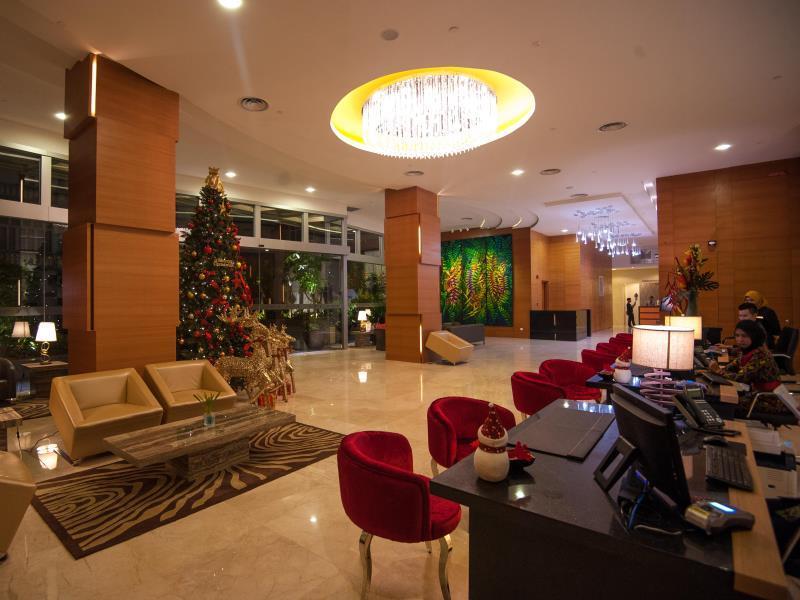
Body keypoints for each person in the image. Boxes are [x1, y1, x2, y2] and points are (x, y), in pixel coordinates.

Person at [709, 320, 781, 401]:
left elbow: (741, 378)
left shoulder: (760, 354)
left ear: (754, 336)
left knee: (721, 400)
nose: (740, 339)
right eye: (737, 335)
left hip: (767, 397)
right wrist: (712, 369)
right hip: (754, 391)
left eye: (745, 336)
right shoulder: (745, 350)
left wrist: (718, 371)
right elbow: (733, 366)